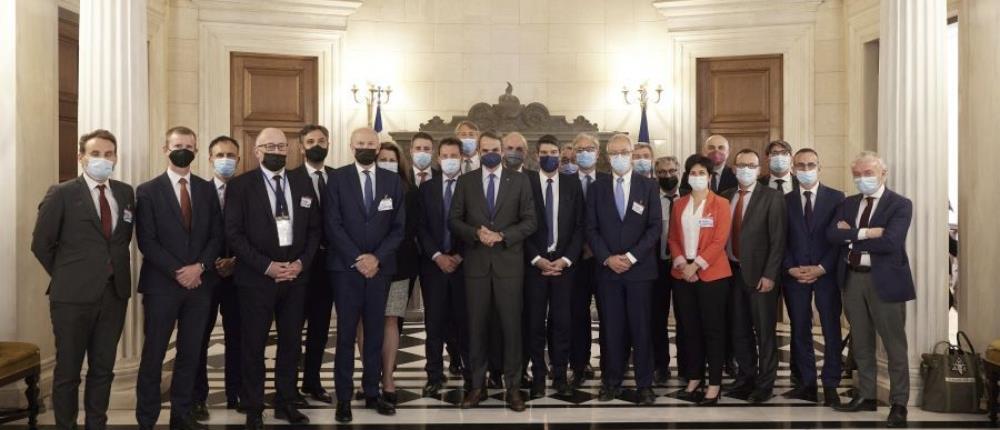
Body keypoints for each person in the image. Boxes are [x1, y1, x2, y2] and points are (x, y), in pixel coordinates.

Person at [31, 129, 135, 430]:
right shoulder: (61, 193)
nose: (103, 159)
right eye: (96, 153)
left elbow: (121, 239)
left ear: (115, 157)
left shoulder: (125, 193)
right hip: (71, 298)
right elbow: (41, 244)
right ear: (82, 157)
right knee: (68, 372)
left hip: (114, 295)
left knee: (103, 369)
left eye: (109, 154)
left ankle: (96, 424)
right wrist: (69, 274)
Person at [224, 127, 321, 428]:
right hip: (256, 279)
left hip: (295, 278)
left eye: (281, 146)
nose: (277, 151)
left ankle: (286, 402)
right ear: (257, 151)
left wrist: (301, 263)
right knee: (253, 345)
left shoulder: (302, 183)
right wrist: (267, 266)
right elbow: (234, 234)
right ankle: (253, 406)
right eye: (270, 146)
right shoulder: (240, 186)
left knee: (291, 344)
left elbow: (315, 230)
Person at [134, 126, 223, 430]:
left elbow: (216, 236)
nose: (183, 150)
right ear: (166, 149)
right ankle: (146, 419)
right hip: (161, 286)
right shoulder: (147, 190)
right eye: (177, 145)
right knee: (154, 354)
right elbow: (147, 241)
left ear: (196, 151)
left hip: (199, 286)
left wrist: (200, 267)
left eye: (188, 146)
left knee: (190, 354)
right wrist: (179, 271)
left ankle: (181, 416)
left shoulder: (206, 190)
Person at [449, 130, 537, 411]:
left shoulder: (520, 181)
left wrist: (503, 236)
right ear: (478, 152)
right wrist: (476, 233)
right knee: (476, 328)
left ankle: (513, 388)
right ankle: (477, 386)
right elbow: (454, 220)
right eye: (485, 149)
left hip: (509, 266)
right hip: (476, 266)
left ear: (502, 151)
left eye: (495, 149)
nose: (490, 154)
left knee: (511, 328)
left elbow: (530, 221)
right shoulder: (466, 182)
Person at [828, 151, 914, 428]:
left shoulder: (900, 204)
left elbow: (891, 242)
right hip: (852, 279)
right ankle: (866, 395)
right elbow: (833, 235)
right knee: (861, 342)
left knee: (894, 345)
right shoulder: (848, 203)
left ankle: (899, 403)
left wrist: (851, 236)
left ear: (883, 174)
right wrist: (867, 232)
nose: (862, 178)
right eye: (857, 174)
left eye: (868, 173)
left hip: (885, 281)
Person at [325, 127, 406, 422]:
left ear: (378, 147)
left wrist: (376, 258)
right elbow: (332, 224)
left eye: (371, 143)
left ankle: (372, 391)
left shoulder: (392, 180)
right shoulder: (337, 178)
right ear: (351, 146)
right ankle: (344, 399)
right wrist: (358, 259)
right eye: (360, 143)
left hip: (380, 270)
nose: (365, 147)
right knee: (346, 335)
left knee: (374, 333)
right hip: (346, 269)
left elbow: (398, 227)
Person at [585, 133, 662, 406]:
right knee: (611, 328)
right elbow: (591, 229)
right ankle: (611, 382)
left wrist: (630, 257)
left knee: (641, 328)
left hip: (639, 271)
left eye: (624, 152)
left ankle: (644, 384)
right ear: (607, 157)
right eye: (614, 153)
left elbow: (655, 227)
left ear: (632, 155)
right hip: (608, 271)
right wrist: (607, 258)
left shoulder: (648, 186)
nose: (619, 157)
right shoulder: (597, 188)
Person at [722, 148, 787, 404]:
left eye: (751, 165)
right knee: (739, 330)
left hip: (761, 276)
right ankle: (745, 378)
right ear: (734, 169)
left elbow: (778, 240)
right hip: (731, 273)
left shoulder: (772, 197)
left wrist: (770, 275)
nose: (746, 170)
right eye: (741, 165)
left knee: (764, 332)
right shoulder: (726, 196)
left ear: (760, 170)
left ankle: (765, 383)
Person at [668, 154, 733, 405]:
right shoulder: (679, 204)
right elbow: (673, 238)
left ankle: (714, 384)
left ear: (709, 176)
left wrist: (696, 265)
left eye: (702, 173)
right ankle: (694, 379)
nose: (697, 177)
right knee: (689, 329)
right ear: (687, 176)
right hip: (682, 274)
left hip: (712, 275)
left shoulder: (721, 204)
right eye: (693, 173)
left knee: (713, 330)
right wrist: (683, 264)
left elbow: (719, 241)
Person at [524, 134, 585, 398]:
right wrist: (536, 259)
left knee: (562, 323)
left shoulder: (572, 184)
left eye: (553, 153)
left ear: (560, 155)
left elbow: (580, 227)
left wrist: (566, 259)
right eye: (544, 153)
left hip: (564, 267)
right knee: (534, 324)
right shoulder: (526, 183)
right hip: (535, 266)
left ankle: (560, 375)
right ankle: (538, 375)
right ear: (536, 156)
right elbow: (520, 224)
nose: (549, 157)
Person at [782, 148, 845, 405]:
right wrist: (790, 267)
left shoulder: (837, 198)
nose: (806, 169)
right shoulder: (785, 200)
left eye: (811, 165)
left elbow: (839, 240)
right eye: (800, 165)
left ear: (819, 168)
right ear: (793, 170)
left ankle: (830, 383)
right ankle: (807, 383)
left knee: (831, 329)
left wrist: (822, 267)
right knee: (799, 329)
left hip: (826, 275)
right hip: (795, 275)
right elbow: (780, 239)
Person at [416, 137, 471, 397]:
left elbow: (476, 225)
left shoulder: (472, 186)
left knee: (465, 321)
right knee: (434, 322)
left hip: (464, 266)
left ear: (462, 158)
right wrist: (437, 256)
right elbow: (421, 227)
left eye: (454, 156)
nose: (450, 160)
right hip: (434, 266)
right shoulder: (426, 188)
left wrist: (459, 256)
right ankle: (434, 375)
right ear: (438, 159)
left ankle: (471, 373)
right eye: (445, 156)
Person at [193, 135, 243, 417]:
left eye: (231, 155)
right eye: (220, 155)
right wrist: (210, 262)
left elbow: (257, 232)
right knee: (199, 337)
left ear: (239, 159)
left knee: (240, 336)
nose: (225, 160)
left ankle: (237, 393)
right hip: (206, 276)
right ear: (210, 158)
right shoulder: (199, 191)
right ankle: (198, 397)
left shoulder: (248, 190)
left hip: (240, 276)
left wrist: (236, 261)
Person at [288, 124, 335, 404]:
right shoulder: (290, 178)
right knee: (292, 328)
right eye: (310, 141)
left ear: (329, 144)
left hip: (329, 265)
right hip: (299, 264)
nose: (317, 145)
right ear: (301, 146)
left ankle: (313, 381)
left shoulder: (338, 177)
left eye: (321, 140)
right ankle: (289, 386)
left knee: (320, 326)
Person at [374, 141, 418, 406]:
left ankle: (388, 377)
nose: (387, 163)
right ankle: (371, 375)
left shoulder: (409, 191)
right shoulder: (364, 185)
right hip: (367, 265)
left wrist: (382, 252)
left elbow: (408, 229)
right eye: (383, 159)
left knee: (391, 319)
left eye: (392, 160)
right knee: (367, 321)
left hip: (400, 265)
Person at [569, 132, 607, 387]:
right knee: (577, 315)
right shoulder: (565, 182)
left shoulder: (607, 180)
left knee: (609, 314)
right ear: (573, 153)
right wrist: (578, 248)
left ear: (597, 152)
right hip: (574, 261)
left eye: (589, 149)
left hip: (604, 260)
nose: (584, 153)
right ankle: (579, 365)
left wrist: (597, 248)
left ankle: (609, 364)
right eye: (580, 149)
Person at [653, 155, 682, 386]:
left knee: (686, 318)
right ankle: (660, 366)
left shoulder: (690, 197)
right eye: (662, 172)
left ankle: (687, 364)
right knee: (657, 318)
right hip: (657, 266)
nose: (668, 176)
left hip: (684, 266)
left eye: (671, 171)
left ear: (679, 171)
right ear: (656, 175)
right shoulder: (650, 198)